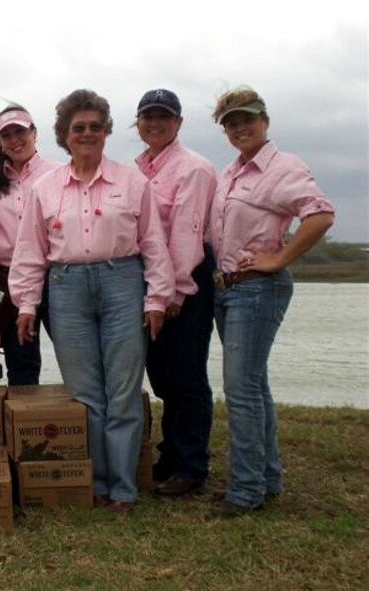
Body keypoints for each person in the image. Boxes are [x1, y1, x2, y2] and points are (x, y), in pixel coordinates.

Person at [9, 89, 174, 512]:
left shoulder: (133, 181)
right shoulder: (44, 188)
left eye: (95, 127)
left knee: (122, 388)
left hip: (123, 282)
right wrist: (27, 304)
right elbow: (30, 250)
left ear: (106, 132)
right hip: (66, 287)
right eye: (78, 127)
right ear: (64, 134)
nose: (87, 133)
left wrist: (157, 298)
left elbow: (154, 243)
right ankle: (96, 483)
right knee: (85, 393)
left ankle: (123, 487)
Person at [209, 86, 334, 516]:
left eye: (247, 119)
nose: (240, 128)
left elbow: (319, 214)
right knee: (254, 385)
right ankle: (267, 476)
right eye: (231, 123)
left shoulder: (283, 166)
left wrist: (279, 258)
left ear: (265, 120)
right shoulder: (230, 173)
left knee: (240, 390)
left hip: (257, 288)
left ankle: (245, 491)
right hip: (228, 288)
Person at [134, 89, 218, 496]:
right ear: (138, 122)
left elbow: (187, 237)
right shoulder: (138, 169)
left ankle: (191, 465)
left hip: (185, 285)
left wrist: (174, 295)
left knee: (186, 377)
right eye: (148, 117)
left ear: (178, 123)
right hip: (149, 284)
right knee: (162, 377)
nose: (155, 123)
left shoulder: (193, 169)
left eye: (163, 117)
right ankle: (170, 455)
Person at [0, 104, 58, 385]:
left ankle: (75, 422)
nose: (15, 139)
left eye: (21, 131)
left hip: (55, 277)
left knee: (72, 353)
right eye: (7, 135)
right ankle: (24, 423)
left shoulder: (57, 174)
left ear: (35, 133)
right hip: (10, 280)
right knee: (21, 360)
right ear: (0, 143)